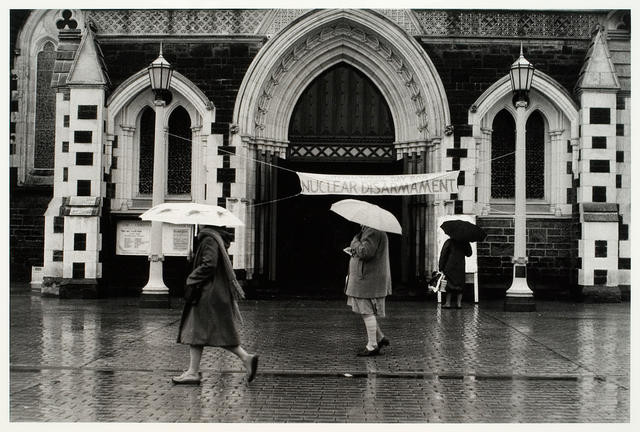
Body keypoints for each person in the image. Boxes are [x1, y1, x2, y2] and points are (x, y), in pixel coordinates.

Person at [172, 225, 258, 385]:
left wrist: (192, 277)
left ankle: (245, 357)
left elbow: (209, 264)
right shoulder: (216, 238)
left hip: (207, 293)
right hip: (215, 292)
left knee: (204, 331)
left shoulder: (209, 239)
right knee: (199, 332)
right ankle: (193, 371)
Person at [344, 225, 392, 356]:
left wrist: (354, 242)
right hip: (367, 277)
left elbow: (366, 252)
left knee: (366, 310)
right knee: (365, 309)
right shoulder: (369, 230)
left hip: (368, 278)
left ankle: (372, 345)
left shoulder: (372, 230)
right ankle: (380, 338)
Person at [438, 237, 472, 309]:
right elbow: (469, 253)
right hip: (460, 266)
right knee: (460, 284)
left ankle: (448, 303)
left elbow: (443, 254)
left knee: (449, 284)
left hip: (449, 266)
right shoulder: (465, 242)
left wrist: (441, 266)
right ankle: (459, 303)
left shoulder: (449, 242)